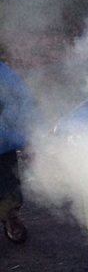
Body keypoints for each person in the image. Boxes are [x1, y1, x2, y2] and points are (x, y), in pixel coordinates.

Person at [0, 54, 36, 244]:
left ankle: (10, 217)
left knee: (7, 184)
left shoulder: (2, 72)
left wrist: (12, 131)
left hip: (2, 143)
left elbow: (21, 98)